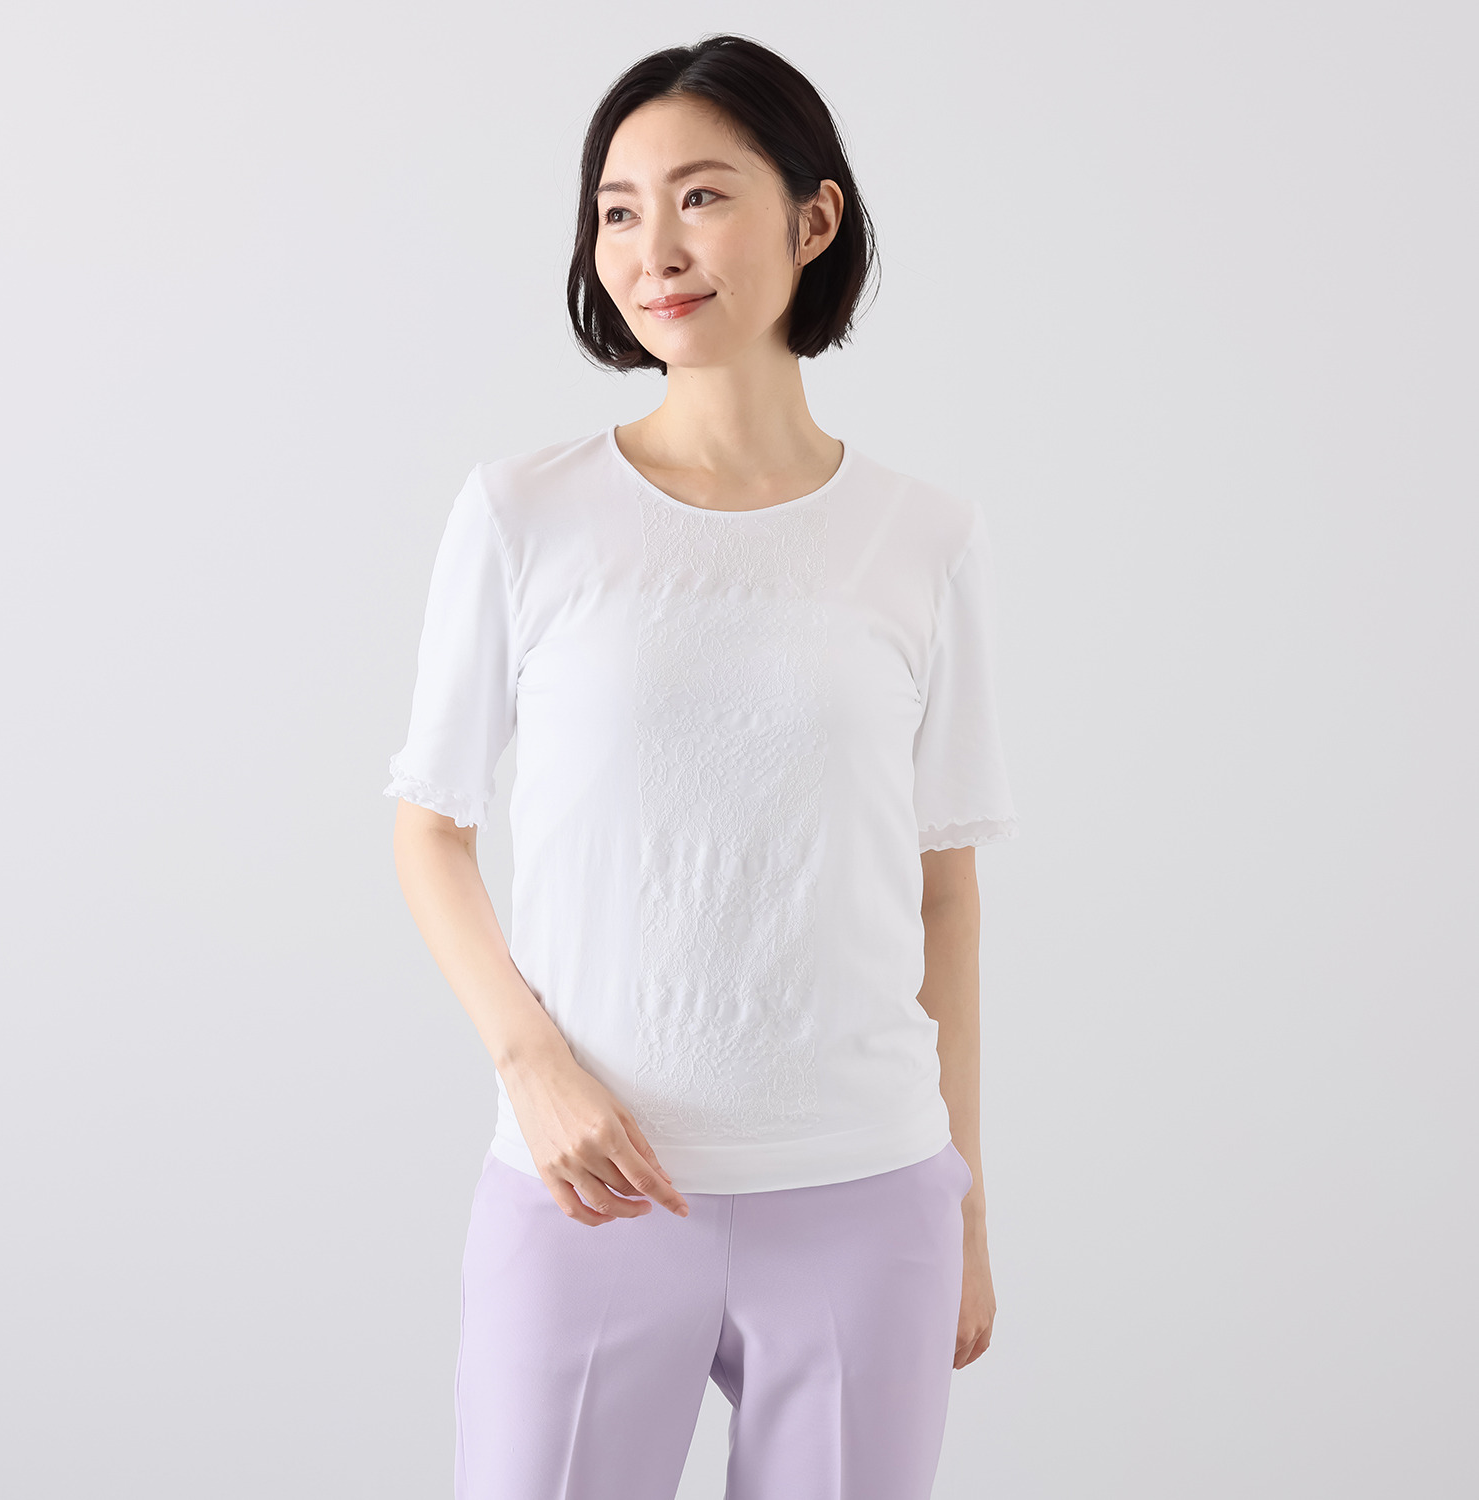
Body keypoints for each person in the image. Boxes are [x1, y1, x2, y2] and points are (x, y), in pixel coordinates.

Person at [383, 33, 1020, 1500]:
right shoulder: (524, 516)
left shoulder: (925, 540)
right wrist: (533, 1066)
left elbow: (945, 893)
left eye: (700, 197)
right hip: (587, 1189)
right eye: (617, 209)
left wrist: (967, 1207)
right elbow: (429, 828)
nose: (652, 249)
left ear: (814, 218)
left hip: (867, 1193)